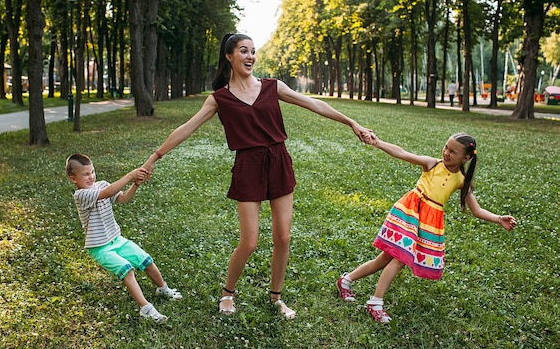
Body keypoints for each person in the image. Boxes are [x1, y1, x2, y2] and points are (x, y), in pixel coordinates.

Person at [141, 33, 374, 319]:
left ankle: (276, 297)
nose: (250, 56)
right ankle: (228, 293)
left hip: (278, 161)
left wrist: (352, 122)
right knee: (250, 241)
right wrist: (154, 158)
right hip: (248, 166)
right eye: (243, 51)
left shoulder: (272, 87)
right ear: (229, 56)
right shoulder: (219, 98)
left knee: (283, 237)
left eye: (253, 51)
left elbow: (314, 104)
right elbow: (186, 128)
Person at [336, 133, 517, 323]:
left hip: (429, 221)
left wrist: (498, 219)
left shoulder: (461, 180)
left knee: (385, 259)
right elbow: (402, 153)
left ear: (466, 158)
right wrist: (378, 143)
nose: (446, 153)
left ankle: (346, 280)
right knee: (399, 259)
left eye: (453, 152)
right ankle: (375, 302)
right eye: (446, 147)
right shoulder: (433, 164)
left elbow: (477, 210)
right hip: (410, 211)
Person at [66, 153, 182, 324]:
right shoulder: (81, 195)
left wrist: (135, 184)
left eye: (92, 172)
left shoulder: (103, 184)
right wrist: (130, 175)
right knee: (127, 269)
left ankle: (162, 289)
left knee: (146, 260)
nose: (91, 176)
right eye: (85, 174)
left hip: (117, 239)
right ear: (73, 178)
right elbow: (107, 193)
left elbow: (123, 198)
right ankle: (146, 308)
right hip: (99, 247)